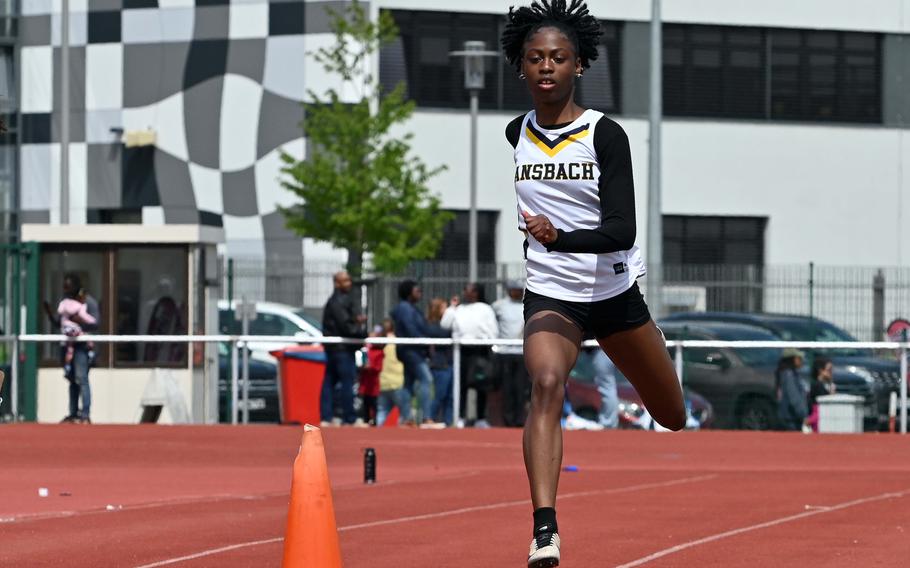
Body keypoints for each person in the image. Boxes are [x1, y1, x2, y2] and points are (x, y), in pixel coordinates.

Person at [500, 2, 687, 565]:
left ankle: (665, 404)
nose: (547, 67)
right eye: (536, 59)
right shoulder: (517, 131)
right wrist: (547, 248)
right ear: (521, 69)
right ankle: (545, 530)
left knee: (671, 416)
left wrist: (559, 236)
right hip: (553, 294)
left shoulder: (605, 134)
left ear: (579, 64)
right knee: (547, 382)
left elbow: (621, 229)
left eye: (558, 57)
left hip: (612, 295)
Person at [44, 274, 101, 424]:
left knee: (82, 378)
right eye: (64, 286)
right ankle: (73, 413)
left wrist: (79, 322)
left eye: (68, 286)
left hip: (82, 345)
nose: (66, 289)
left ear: (76, 286)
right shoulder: (65, 301)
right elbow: (59, 323)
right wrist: (50, 314)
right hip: (67, 345)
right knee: (71, 379)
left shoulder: (88, 302)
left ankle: (85, 414)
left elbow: (96, 324)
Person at [441, 282, 499, 427]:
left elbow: (493, 329)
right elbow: (445, 325)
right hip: (462, 350)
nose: (466, 293)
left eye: (470, 290)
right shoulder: (459, 309)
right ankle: (459, 417)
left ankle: (480, 419)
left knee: (481, 385)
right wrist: (452, 307)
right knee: (461, 385)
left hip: (480, 351)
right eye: (465, 290)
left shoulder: (485, 309)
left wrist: (490, 345)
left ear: (477, 293)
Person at [390, 280, 446, 428]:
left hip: (413, 350)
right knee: (426, 379)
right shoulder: (405, 309)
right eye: (417, 291)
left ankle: (407, 418)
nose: (420, 294)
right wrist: (425, 341)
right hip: (411, 350)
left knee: (408, 384)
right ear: (409, 293)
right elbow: (411, 329)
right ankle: (427, 418)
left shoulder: (412, 309)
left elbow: (424, 328)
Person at [320, 270, 367, 426]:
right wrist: (361, 331)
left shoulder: (341, 300)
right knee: (346, 382)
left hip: (337, 349)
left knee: (330, 382)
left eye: (349, 280)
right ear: (337, 283)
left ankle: (328, 417)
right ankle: (349, 418)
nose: (349, 283)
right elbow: (345, 326)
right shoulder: (337, 301)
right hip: (341, 350)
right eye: (345, 281)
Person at [493, 279, 530, 427]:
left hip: (521, 352)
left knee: (521, 388)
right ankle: (508, 419)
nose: (517, 292)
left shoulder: (526, 304)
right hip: (505, 352)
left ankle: (520, 419)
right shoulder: (499, 306)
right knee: (507, 388)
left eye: (519, 290)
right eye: (514, 289)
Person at [375, 319, 412, 426]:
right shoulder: (398, 342)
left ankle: (376, 436)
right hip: (398, 383)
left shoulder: (379, 344)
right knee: (405, 415)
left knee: (381, 412)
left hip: (383, 383)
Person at [427, 298, 454, 426]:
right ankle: (430, 417)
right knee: (440, 394)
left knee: (450, 396)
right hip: (439, 364)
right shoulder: (432, 325)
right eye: (445, 308)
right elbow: (441, 333)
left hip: (449, 363)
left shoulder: (448, 324)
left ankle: (448, 421)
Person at [357, 324, 385, 426]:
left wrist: (370, 367)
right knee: (365, 404)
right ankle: (366, 420)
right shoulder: (365, 350)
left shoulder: (379, 352)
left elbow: (378, 368)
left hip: (373, 384)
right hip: (365, 383)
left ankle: (375, 422)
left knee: (374, 405)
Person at [776, 347, 808, 431]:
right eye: (799, 358)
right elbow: (794, 398)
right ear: (792, 359)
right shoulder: (788, 375)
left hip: (789, 417)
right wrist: (803, 414)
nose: (802, 361)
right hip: (791, 418)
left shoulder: (785, 373)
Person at [804, 355, 834, 433]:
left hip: (820, 416)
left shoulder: (823, 384)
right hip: (818, 417)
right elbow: (821, 405)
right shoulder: (817, 385)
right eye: (829, 370)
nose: (831, 373)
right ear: (821, 370)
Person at [591, 349, 619, 429]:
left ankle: (608, 423)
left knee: (607, 387)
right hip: (606, 348)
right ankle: (608, 422)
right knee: (608, 387)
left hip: (601, 349)